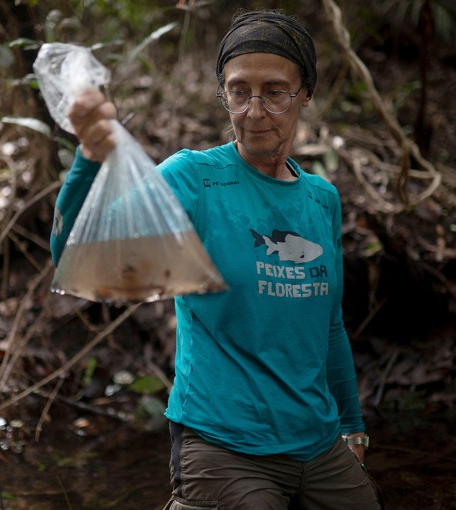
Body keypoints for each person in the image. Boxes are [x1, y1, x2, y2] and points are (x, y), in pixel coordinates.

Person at [49, 9, 382, 510]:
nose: (253, 110)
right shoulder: (194, 179)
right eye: (238, 90)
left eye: (275, 91)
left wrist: (352, 427)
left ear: (306, 93)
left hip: (317, 442)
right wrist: (89, 159)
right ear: (223, 93)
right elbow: (78, 252)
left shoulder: (322, 199)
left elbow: (328, 325)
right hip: (223, 444)